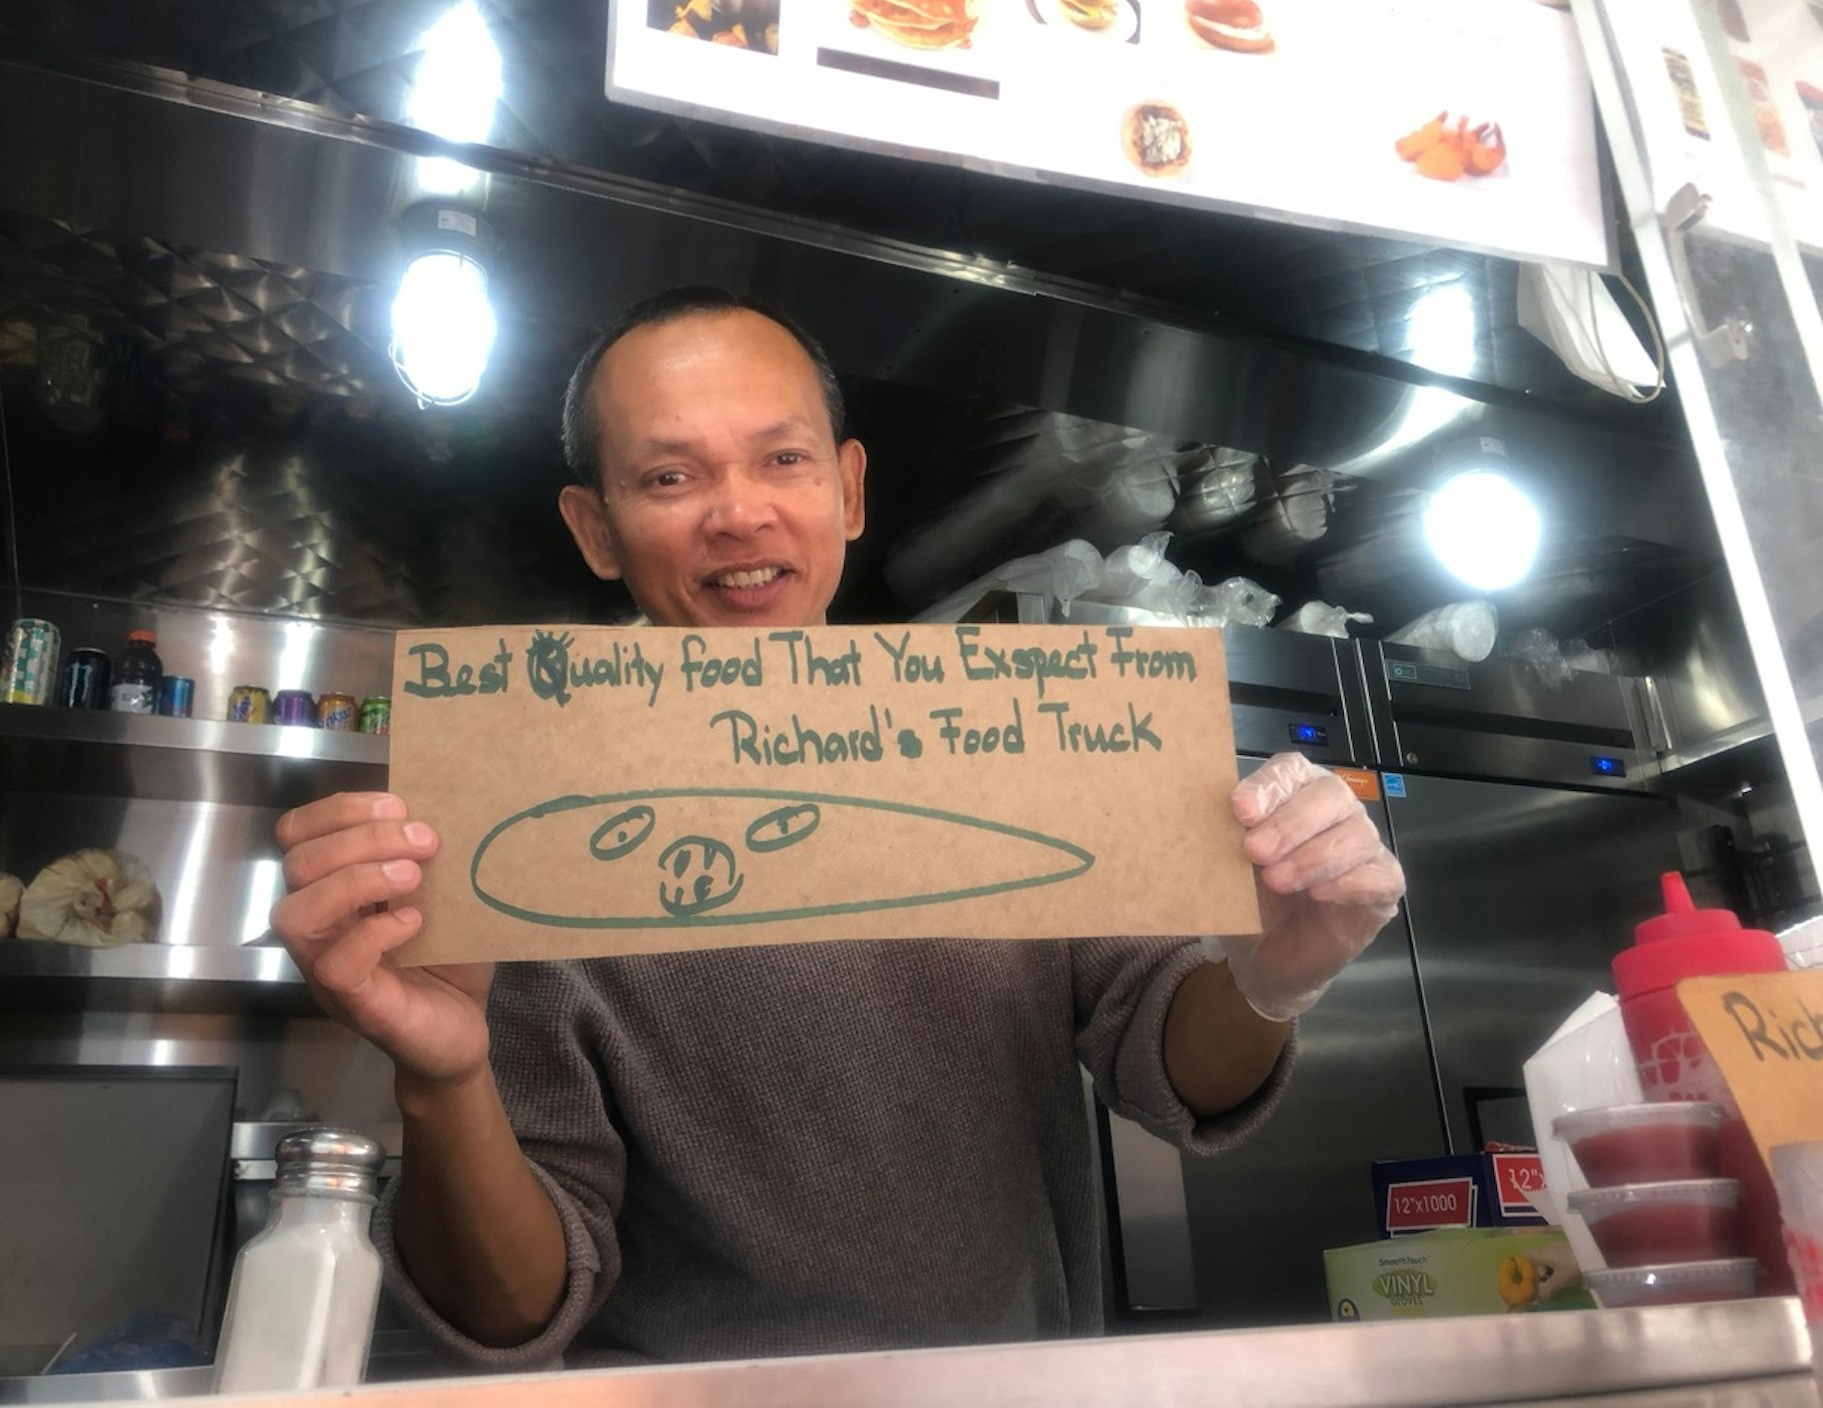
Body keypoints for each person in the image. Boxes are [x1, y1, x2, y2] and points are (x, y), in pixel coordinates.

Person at [271, 287, 1406, 1369]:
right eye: (669, 475)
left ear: (850, 491)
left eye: (784, 459)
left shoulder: (1009, 744)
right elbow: (513, 1303)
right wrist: (442, 1079)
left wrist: (1266, 979)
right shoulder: (526, 827)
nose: (740, 512)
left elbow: (1171, 1066)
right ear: (596, 528)